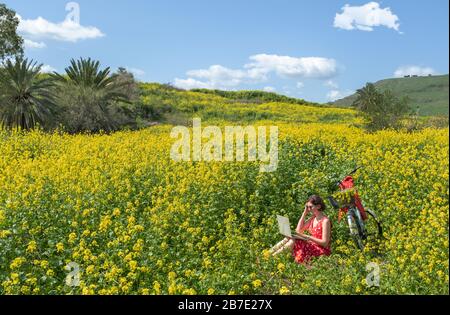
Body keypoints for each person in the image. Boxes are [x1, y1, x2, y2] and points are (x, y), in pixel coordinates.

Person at [269, 195, 332, 264]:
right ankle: (269, 255)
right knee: (288, 237)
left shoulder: (325, 221)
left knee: (294, 240)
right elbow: (298, 231)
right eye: (307, 207)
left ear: (318, 206)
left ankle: (272, 259)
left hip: (321, 250)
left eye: (310, 207)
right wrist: (304, 213)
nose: (309, 209)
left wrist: (307, 237)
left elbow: (325, 243)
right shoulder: (313, 218)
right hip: (312, 246)